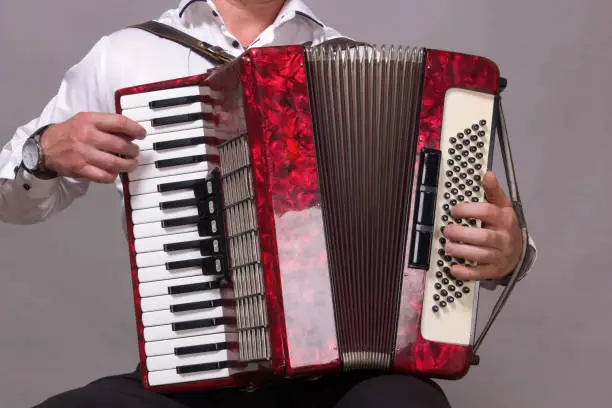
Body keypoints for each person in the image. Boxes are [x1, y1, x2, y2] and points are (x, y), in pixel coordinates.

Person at [0, 1, 537, 407]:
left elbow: (456, 221)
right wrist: (42, 150)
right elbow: (14, 204)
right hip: (196, 365)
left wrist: (509, 252)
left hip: (343, 378)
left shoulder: (350, 59)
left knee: (403, 402)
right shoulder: (124, 54)